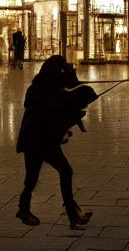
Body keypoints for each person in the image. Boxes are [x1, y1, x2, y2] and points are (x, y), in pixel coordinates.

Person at [15, 55, 97, 228]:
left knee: (37, 176)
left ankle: (70, 214)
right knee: (51, 174)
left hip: (43, 139)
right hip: (37, 141)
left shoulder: (48, 89)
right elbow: (58, 107)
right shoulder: (42, 92)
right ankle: (70, 213)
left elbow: (65, 97)